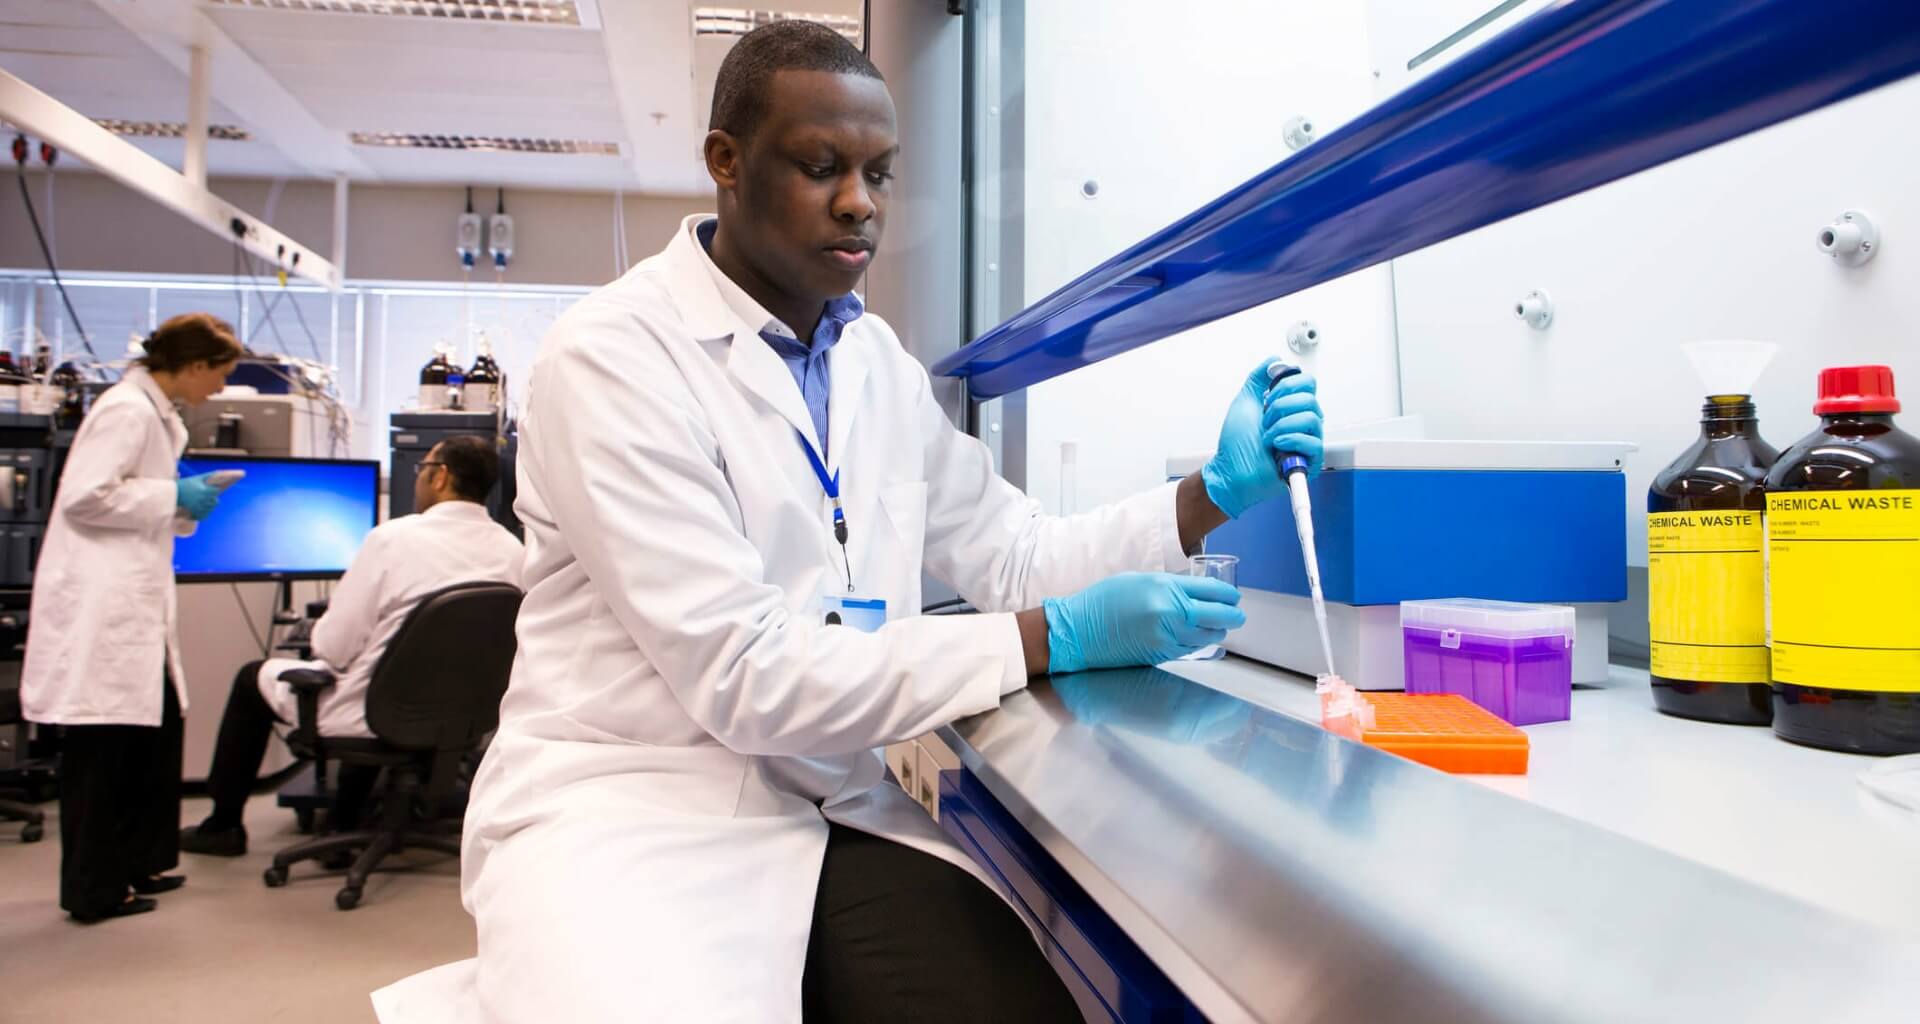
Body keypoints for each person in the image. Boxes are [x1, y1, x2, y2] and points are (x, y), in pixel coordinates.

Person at [374, 21, 1322, 1024]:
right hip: (632, 810)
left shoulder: (874, 363)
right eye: (820, 165)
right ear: (725, 162)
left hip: (829, 802)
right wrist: (1059, 637)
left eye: (879, 172)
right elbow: (748, 675)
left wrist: (1209, 492)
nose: (860, 203)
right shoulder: (613, 359)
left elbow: (1015, 553)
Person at [179, 435, 524, 856]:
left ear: (440, 477)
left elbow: (332, 647)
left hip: (376, 712)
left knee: (254, 679)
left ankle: (224, 826)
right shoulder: (513, 550)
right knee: (375, 676)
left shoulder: (392, 540)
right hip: (462, 719)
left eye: (422, 470)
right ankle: (344, 822)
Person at [21, 313, 243, 924]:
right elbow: (84, 497)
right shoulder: (126, 409)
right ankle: (94, 889)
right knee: (104, 752)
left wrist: (178, 497)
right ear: (194, 365)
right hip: (103, 602)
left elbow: (132, 495)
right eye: (220, 375)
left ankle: (140, 861)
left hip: (135, 596)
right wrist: (171, 496)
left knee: (155, 731)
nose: (220, 390)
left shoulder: (156, 412)